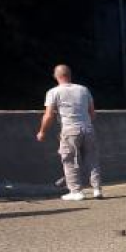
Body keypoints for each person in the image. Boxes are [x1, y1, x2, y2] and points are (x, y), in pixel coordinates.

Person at [36, 64, 102, 201]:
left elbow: (48, 115)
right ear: (70, 75)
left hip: (70, 129)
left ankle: (76, 191)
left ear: (56, 76)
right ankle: (97, 189)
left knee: (70, 159)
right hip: (88, 128)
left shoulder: (53, 92)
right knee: (91, 158)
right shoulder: (83, 89)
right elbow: (92, 113)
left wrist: (42, 132)